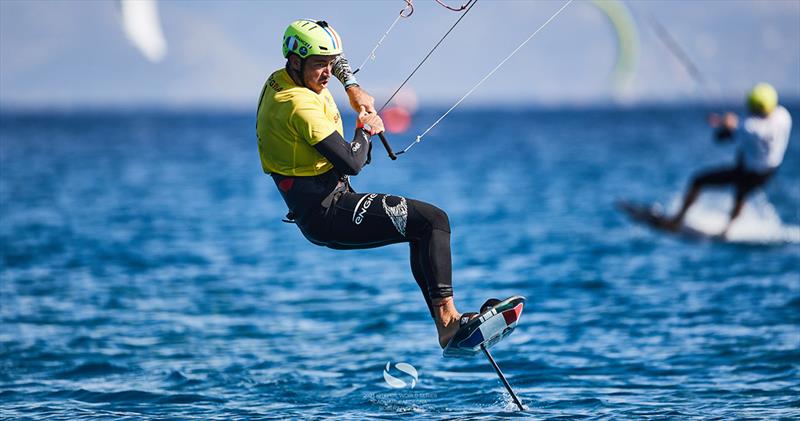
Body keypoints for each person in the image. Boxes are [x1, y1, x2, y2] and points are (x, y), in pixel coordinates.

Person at [256, 19, 486, 348]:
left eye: (329, 64)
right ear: (295, 61)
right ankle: (448, 323)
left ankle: (447, 325)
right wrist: (365, 127)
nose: (326, 73)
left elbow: (337, 60)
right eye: (319, 65)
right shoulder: (296, 105)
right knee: (435, 221)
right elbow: (352, 161)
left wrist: (352, 87)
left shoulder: (280, 78)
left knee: (421, 228)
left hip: (329, 201)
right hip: (327, 214)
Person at [667, 82, 792, 237]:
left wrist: (724, 124)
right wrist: (727, 122)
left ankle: (676, 221)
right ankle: (728, 230)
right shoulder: (784, 117)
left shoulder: (750, 127)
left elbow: (721, 137)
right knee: (741, 192)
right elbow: (743, 125)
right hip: (769, 170)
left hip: (749, 171)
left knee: (698, 181)